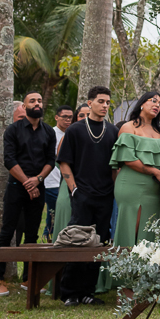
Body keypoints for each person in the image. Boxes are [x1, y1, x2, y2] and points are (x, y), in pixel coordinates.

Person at [57, 87, 117, 306]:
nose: (105, 106)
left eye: (108, 102)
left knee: (98, 243)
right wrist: (74, 189)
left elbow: (115, 165)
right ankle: (69, 292)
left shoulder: (112, 131)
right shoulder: (75, 130)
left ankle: (88, 292)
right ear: (90, 102)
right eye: (101, 101)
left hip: (105, 195)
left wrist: (112, 188)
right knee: (78, 241)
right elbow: (64, 161)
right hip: (81, 194)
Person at [0, 91, 56, 294]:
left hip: (39, 186)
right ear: (25, 106)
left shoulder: (48, 131)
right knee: (7, 231)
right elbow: (9, 160)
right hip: (17, 186)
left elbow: (51, 160)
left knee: (32, 233)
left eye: (40, 100)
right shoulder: (13, 130)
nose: (37, 103)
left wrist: (38, 180)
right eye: (33, 101)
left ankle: (28, 279)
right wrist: (27, 183)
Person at [110, 91, 160, 248]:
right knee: (133, 226)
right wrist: (155, 172)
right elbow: (128, 159)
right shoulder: (128, 127)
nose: (157, 105)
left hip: (152, 188)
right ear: (141, 104)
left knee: (149, 229)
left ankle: (144, 270)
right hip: (131, 184)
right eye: (153, 101)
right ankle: (124, 269)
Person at [51, 103, 88, 242]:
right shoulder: (66, 137)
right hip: (68, 189)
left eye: (88, 115)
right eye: (81, 115)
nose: (85, 118)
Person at [42, 105, 73, 241]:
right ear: (56, 117)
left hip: (64, 182)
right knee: (52, 214)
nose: (67, 120)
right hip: (51, 182)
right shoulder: (51, 134)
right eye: (64, 117)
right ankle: (48, 238)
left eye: (70, 117)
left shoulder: (71, 133)